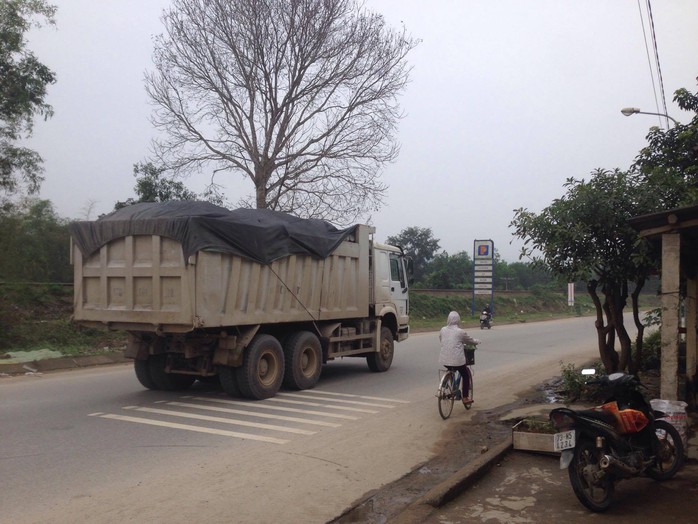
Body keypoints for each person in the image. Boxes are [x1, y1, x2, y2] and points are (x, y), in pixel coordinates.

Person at [439, 311, 479, 404]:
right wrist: (477, 341)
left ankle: (446, 382)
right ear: (458, 320)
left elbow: (441, 340)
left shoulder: (442, 329)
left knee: (451, 368)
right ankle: (465, 397)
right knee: (465, 375)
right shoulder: (460, 332)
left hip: (444, 360)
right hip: (457, 361)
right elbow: (470, 340)